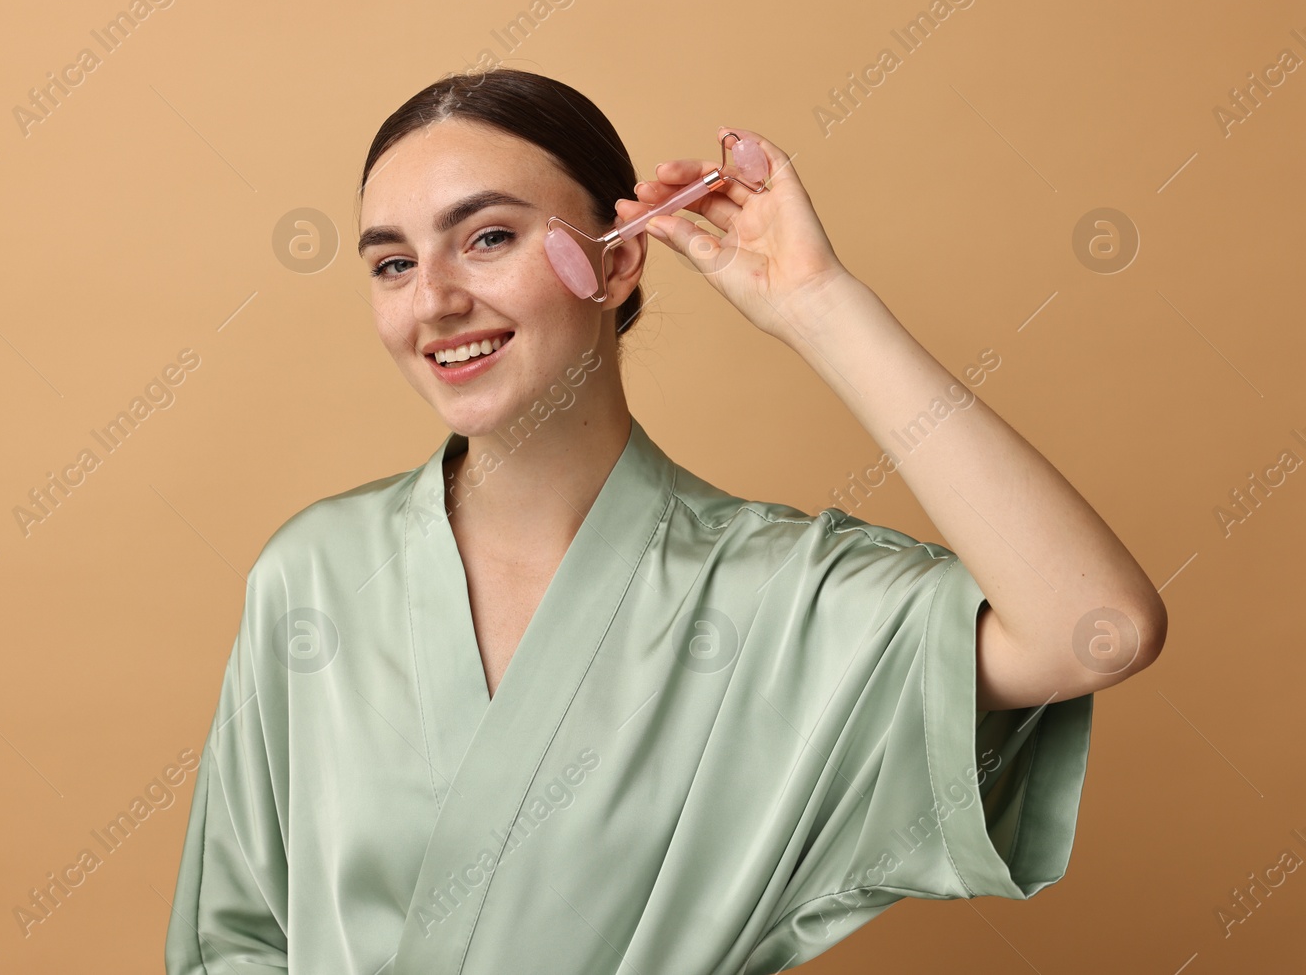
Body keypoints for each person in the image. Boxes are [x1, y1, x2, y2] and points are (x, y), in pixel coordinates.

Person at [165, 68, 1167, 974]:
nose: (433, 300)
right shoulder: (318, 574)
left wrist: (817, 305)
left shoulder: (772, 597)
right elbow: (231, 937)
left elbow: (1099, 628)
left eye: (489, 238)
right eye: (390, 263)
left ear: (615, 261)